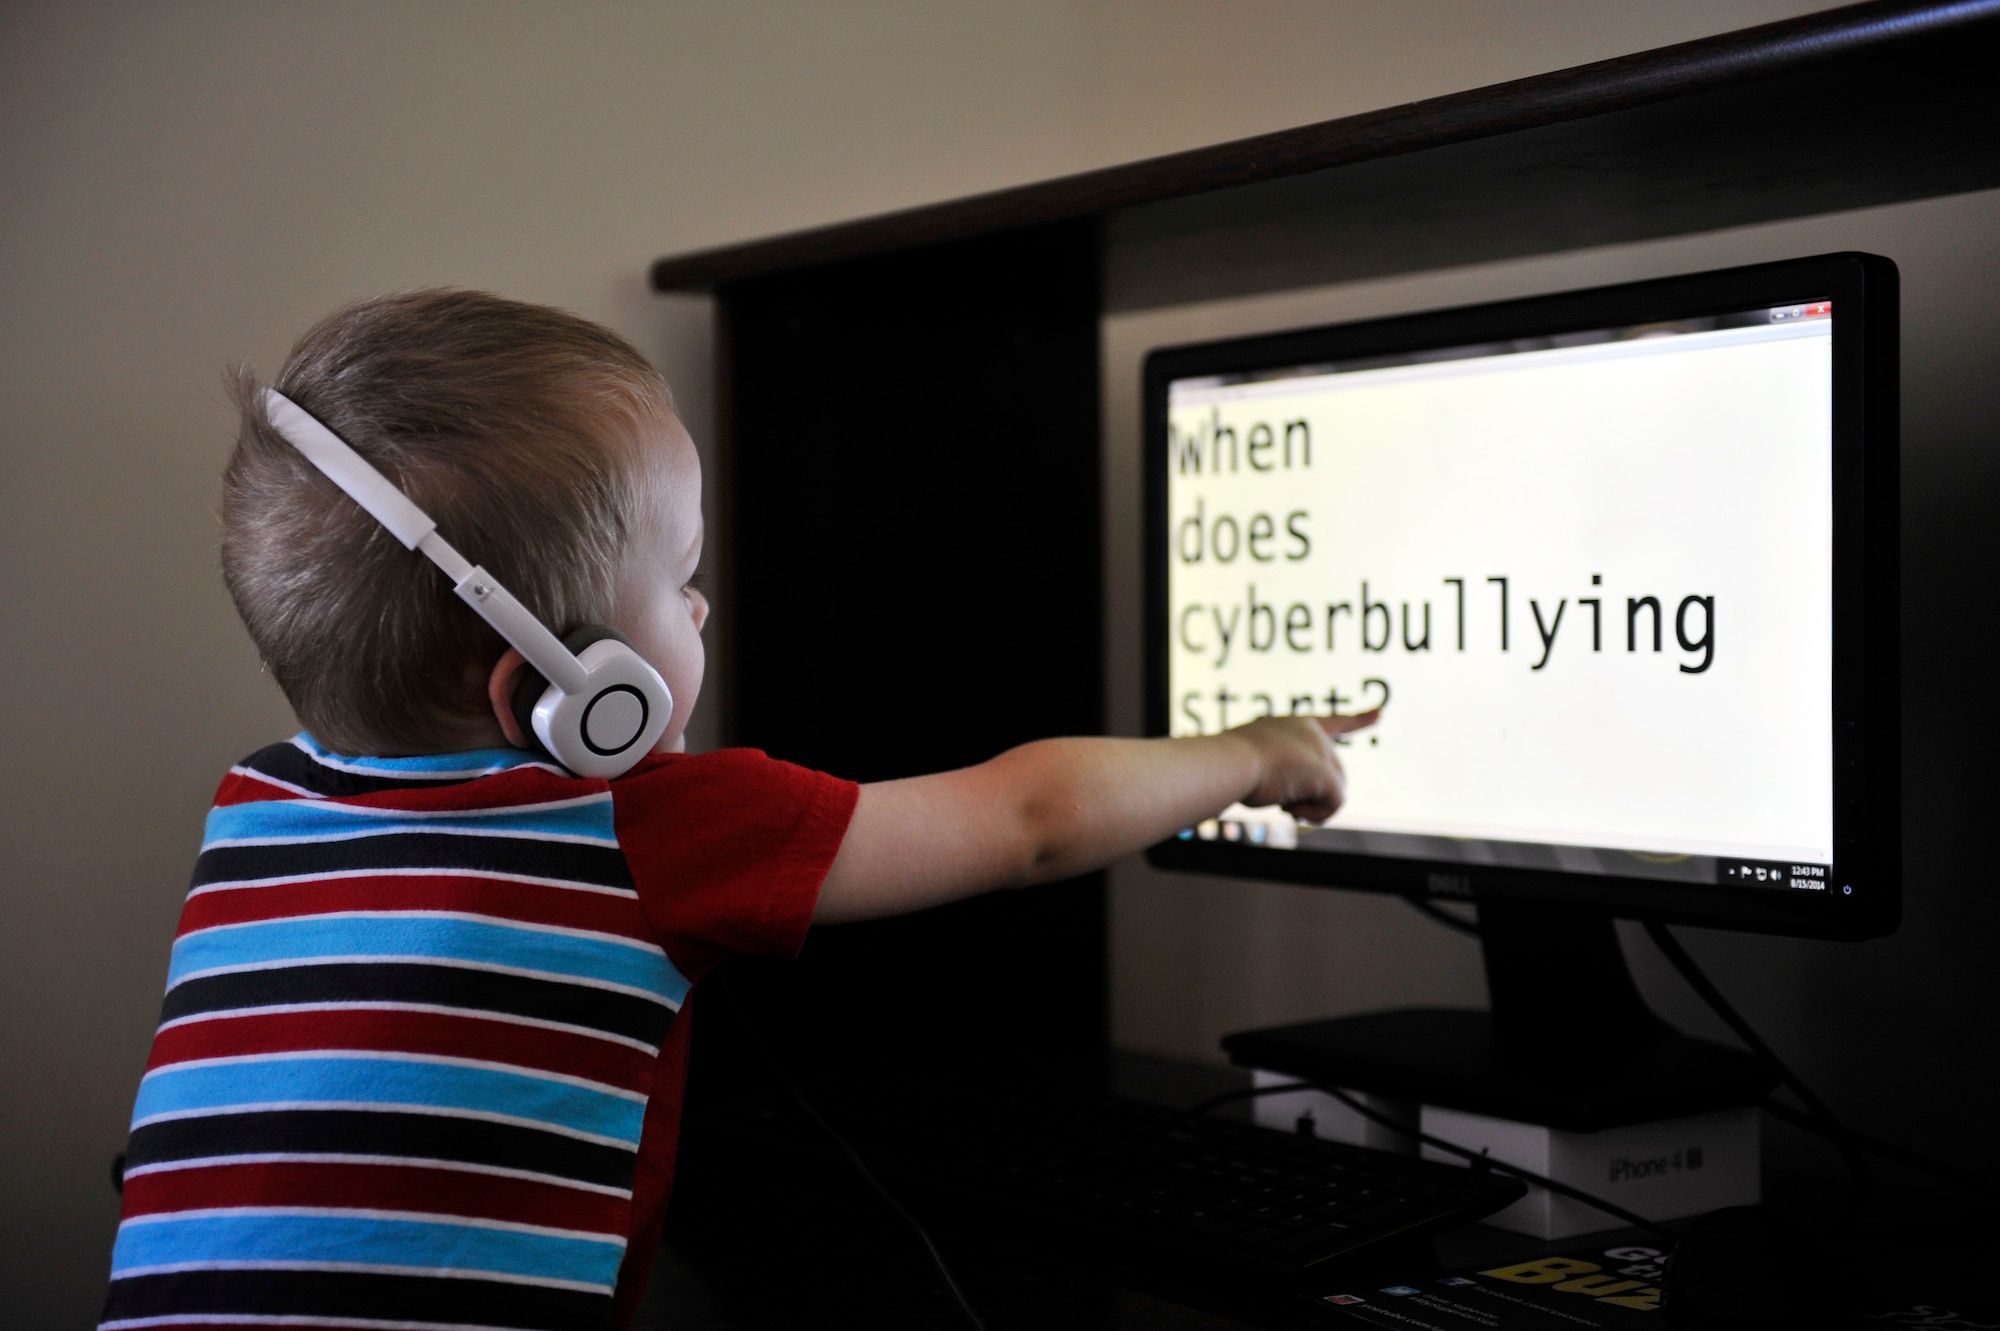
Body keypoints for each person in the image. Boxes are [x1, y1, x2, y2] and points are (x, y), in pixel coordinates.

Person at [101, 289, 1376, 1329]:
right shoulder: (648, 826)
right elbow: (1029, 816)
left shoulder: (253, 814)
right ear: (566, 686)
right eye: (682, 574)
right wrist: (1256, 750)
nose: (702, 607)